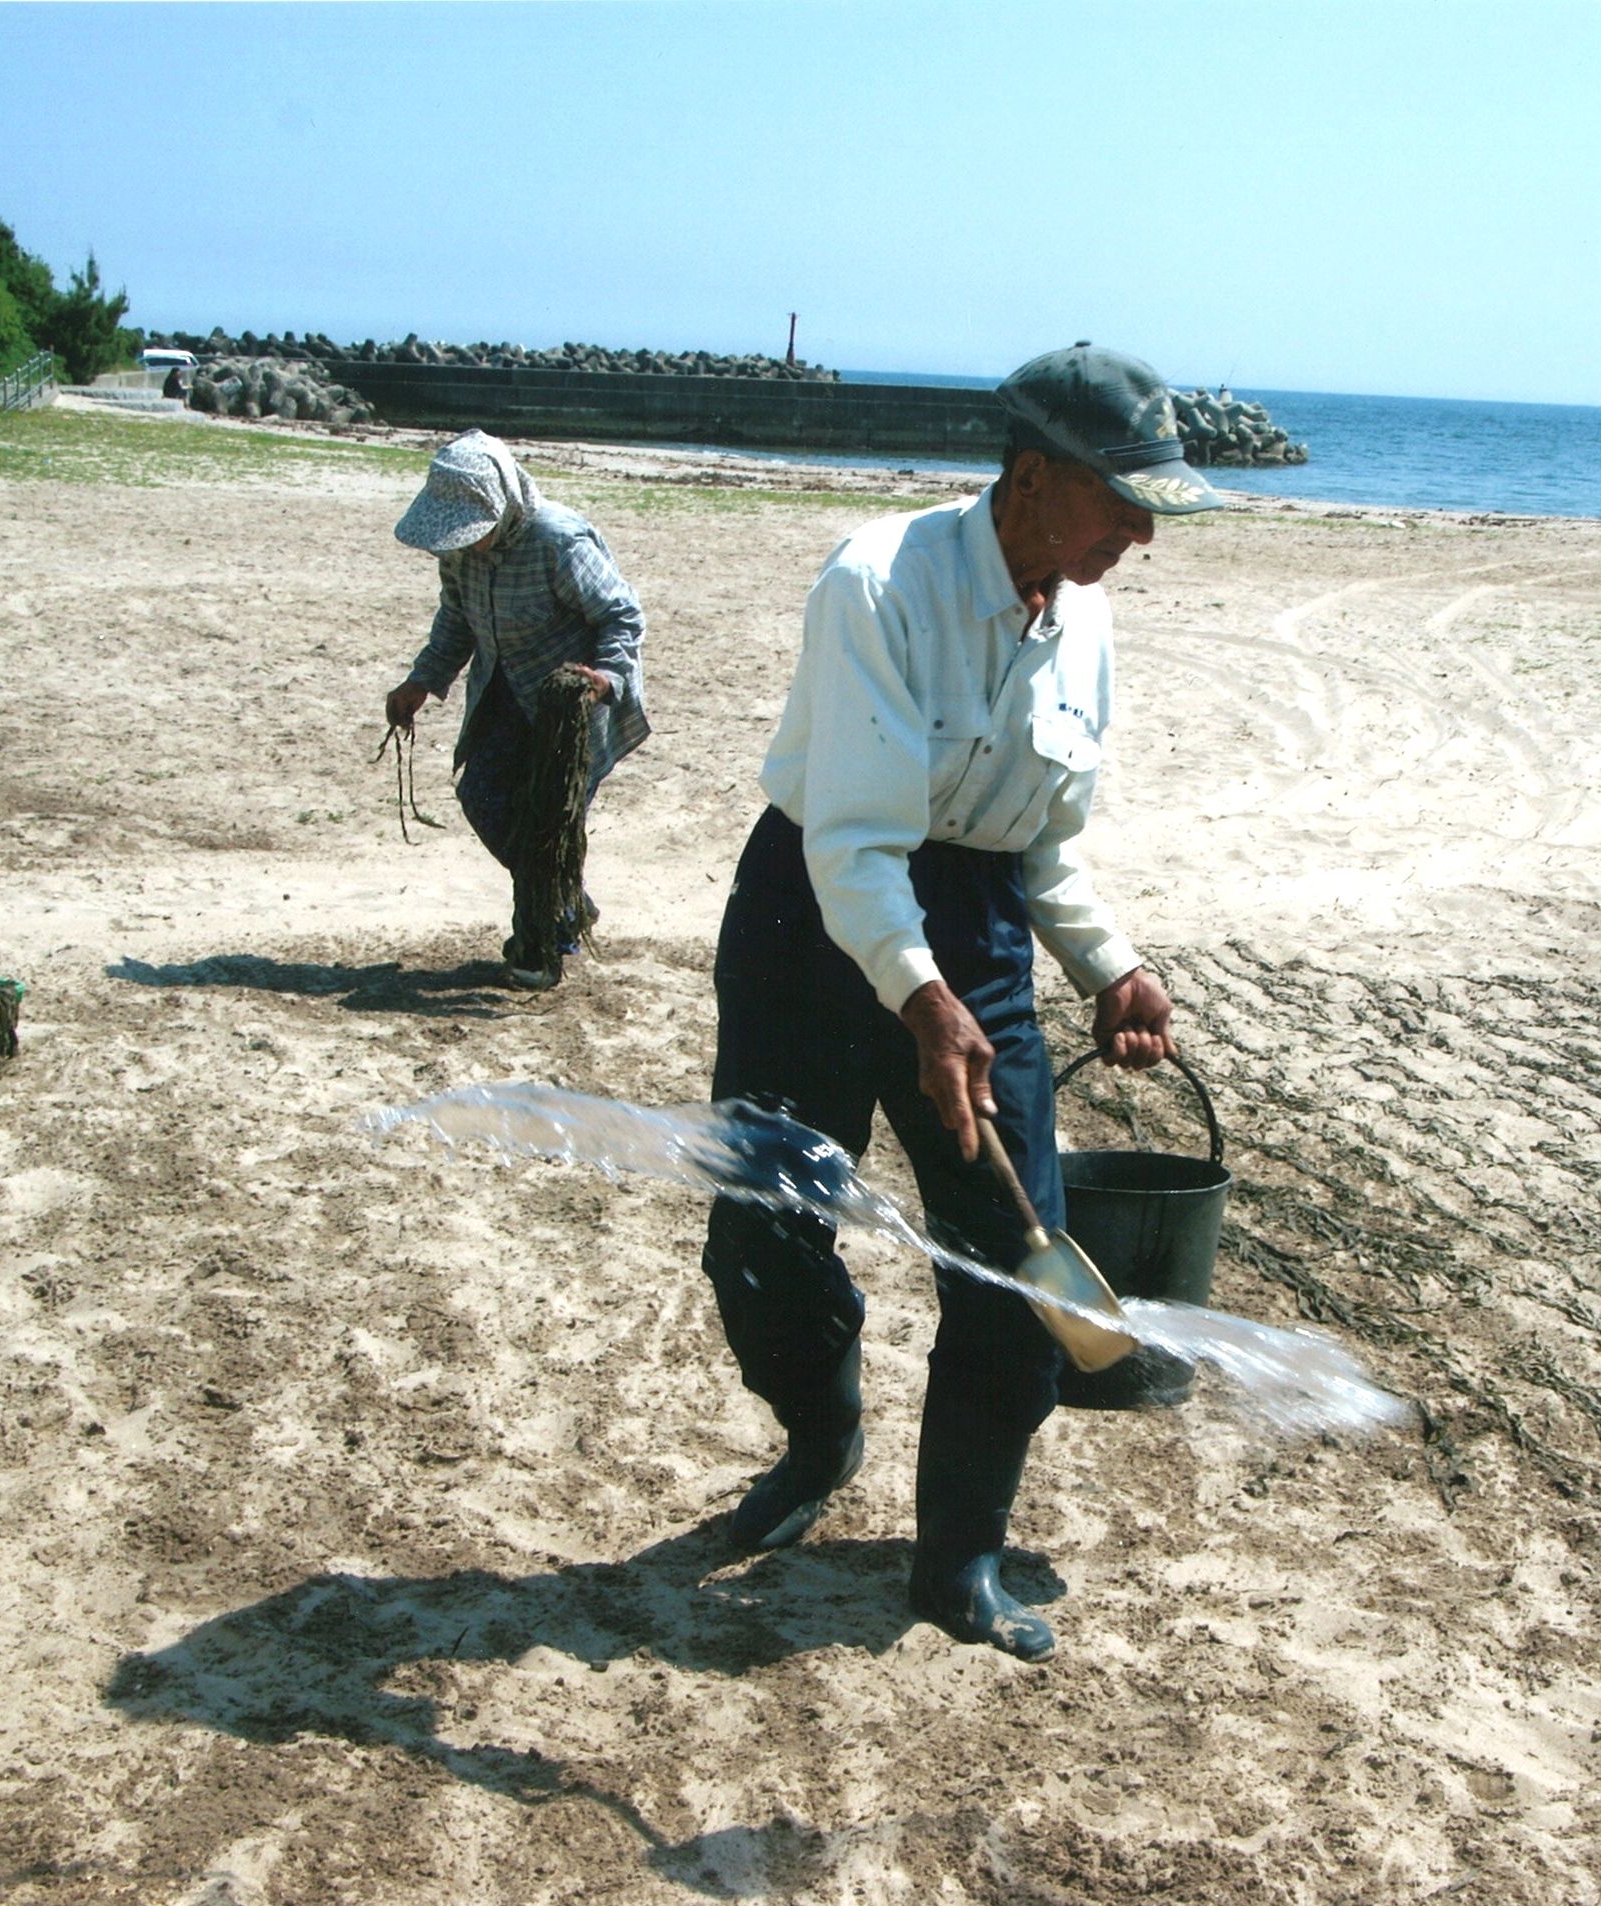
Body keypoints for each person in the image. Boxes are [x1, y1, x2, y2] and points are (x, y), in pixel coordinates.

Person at [700, 344, 1220, 1661]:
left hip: (976, 934)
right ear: (1034, 478)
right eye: (1124, 500)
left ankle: (960, 1559)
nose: (1143, 534)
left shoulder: (1085, 615)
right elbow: (857, 847)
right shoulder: (877, 582)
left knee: (1013, 1270)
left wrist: (1112, 965)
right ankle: (821, 1438)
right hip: (809, 920)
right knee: (764, 1243)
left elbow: (1040, 848)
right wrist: (919, 1000)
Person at [383, 431, 649, 987]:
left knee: (552, 820)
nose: (463, 545)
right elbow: (455, 623)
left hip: (570, 705)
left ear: (500, 506)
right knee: (481, 795)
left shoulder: (557, 540)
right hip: (502, 689)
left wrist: (606, 678)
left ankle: (543, 941)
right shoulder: (458, 557)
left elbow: (621, 616)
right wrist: (422, 680)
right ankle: (566, 903)